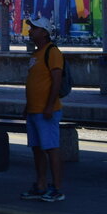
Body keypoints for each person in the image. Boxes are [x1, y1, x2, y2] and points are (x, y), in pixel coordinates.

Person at [20, 17, 65, 202]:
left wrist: (49, 105)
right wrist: (27, 107)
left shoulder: (52, 52)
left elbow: (56, 81)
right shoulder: (36, 55)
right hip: (34, 111)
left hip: (47, 111)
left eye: (34, 28)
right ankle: (40, 184)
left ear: (44, 32)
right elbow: (35, 83)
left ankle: (57, 188)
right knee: (37, 149)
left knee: (51, 149)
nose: (30, 31)